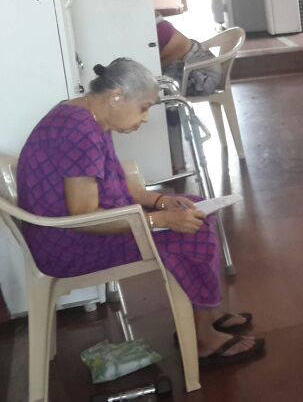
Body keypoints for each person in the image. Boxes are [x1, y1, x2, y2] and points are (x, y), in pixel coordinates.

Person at [16, 59, 264, 368]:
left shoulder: (88, 115)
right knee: (190, 231)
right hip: (69, 244)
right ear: (117, 96)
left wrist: (161, 202)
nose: (145, 118)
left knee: (192, 206)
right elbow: (85, 216)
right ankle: (203, 338)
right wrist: (158, 220)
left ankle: (205, 314)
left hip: (71, 230)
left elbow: (117, 183)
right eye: (144, 107)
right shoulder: (80, 129)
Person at [156, 17, 219, 97]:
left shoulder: (162, 32)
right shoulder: (160, 27)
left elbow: (153, 66)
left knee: (152, 89)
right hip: (198, 70)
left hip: (203, 79)